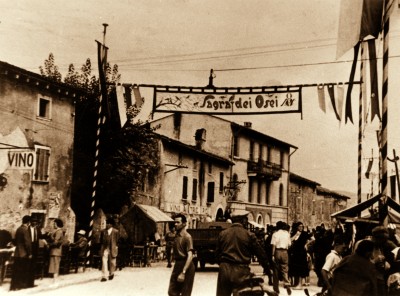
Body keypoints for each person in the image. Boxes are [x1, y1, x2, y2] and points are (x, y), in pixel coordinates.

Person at [215, 214, 274, 296]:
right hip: (241, 271)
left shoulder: (222, 234)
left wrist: (223, 263)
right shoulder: (249, 235)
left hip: (224, 269)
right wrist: (268, 270)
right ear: (243, 221)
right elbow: (261, 254)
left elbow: (217, 253)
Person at [168, 213, 195, 296]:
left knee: (185, 293)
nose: (175, 224)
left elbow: (190, 255)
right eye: (175, 222)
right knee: (172, 291)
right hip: (178, 264)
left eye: (178, 222)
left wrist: (183, 272)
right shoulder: (176, 236)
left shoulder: (187, 237)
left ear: (184, 224)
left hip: (186, 265)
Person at [10, 215, 32, 291]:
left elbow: (15, 241)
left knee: (16, 270)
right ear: (28, 222)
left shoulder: (19, 229)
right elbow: (28, 243)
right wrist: (30, 253)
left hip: (17, 252)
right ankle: (19, 286)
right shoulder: (25, 230)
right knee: (22, 270)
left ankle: (13, 286)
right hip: (23, 253)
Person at [270, 221, 292, 295]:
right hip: (285, 252)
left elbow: (273, 245)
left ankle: (276, 289)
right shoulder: (287, 234)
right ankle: (287, 284)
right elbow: (289, 244)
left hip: (277, 251)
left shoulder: (275, 234)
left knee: (275, 271)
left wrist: (272, 255)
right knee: (285, 269)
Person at [289, 221, 311, 289]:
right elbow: (290, 240)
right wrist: (296, 235)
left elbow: (312, 239)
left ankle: (300, 284)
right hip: (295, 253)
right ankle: (297, 283)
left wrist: (306, 244)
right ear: (297, 227)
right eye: (299, 226)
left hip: (302, 252)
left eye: (302, 226)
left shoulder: (304, 233)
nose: (301, 227)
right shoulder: (294, 233)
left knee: (301, 268)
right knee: (296, 268)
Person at [100, 217, 119, 282]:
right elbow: (101, 241)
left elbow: (118, 240)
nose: (107, 224)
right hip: (105, 248)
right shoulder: (103, 231)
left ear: (111, 224)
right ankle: (104, 276)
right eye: (106, 223)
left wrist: (116, 247)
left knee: (112, 262)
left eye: (108, 223)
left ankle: (111, 273)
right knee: (104, 261)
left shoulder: (116, 231)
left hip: (113, 248)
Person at [47, 218, 64, 287]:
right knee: (54, 267)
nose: (53, 225)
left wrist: (49, 240)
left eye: (54, 223)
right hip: (54, 251)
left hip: (56, 251)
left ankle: (55, 282)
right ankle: (54, 282)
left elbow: (55, 242)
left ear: (57, 224)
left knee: (55, 267)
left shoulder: (59, 231)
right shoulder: (58, 231)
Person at [28, 216, 40, 287]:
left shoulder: (37, 229)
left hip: (35, 248)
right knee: (28, 265)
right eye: (33, 221)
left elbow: (40, 236)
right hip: (29, 247)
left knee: (33, 265)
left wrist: (47, 235)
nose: (34, 223)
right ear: (30, 222)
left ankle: (31, 282)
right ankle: (27, 282)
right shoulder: (27, 229)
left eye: (35, 221)